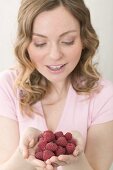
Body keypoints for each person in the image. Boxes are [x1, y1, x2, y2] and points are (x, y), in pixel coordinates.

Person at [0, 0, 113, 170]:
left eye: (67, 41)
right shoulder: (8, 86)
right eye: (40, 43)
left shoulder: (104, 95)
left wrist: (77, 158)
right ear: (26, 45)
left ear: (84, 39)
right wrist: (25, 154)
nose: (54, 55)